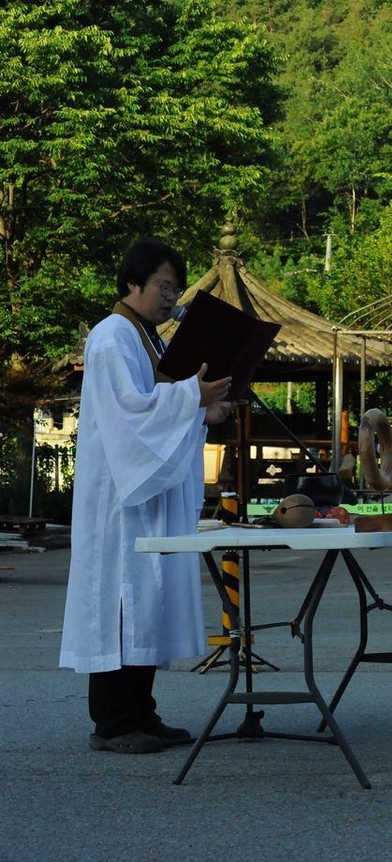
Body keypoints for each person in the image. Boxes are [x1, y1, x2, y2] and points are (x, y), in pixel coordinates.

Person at [60, 239, 233, 754]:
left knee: (148, 598)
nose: (170, 297)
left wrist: (200, 411)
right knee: (121, 600)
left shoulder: (149, 341)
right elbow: (130, 412)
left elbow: (161, 406)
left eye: (176, 288)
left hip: (147, 492)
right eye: (162, 286)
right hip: (120, 497)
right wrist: (188, 398)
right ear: (132, 283)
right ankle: (112, 722)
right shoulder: (112, 337)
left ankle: (142, 711)